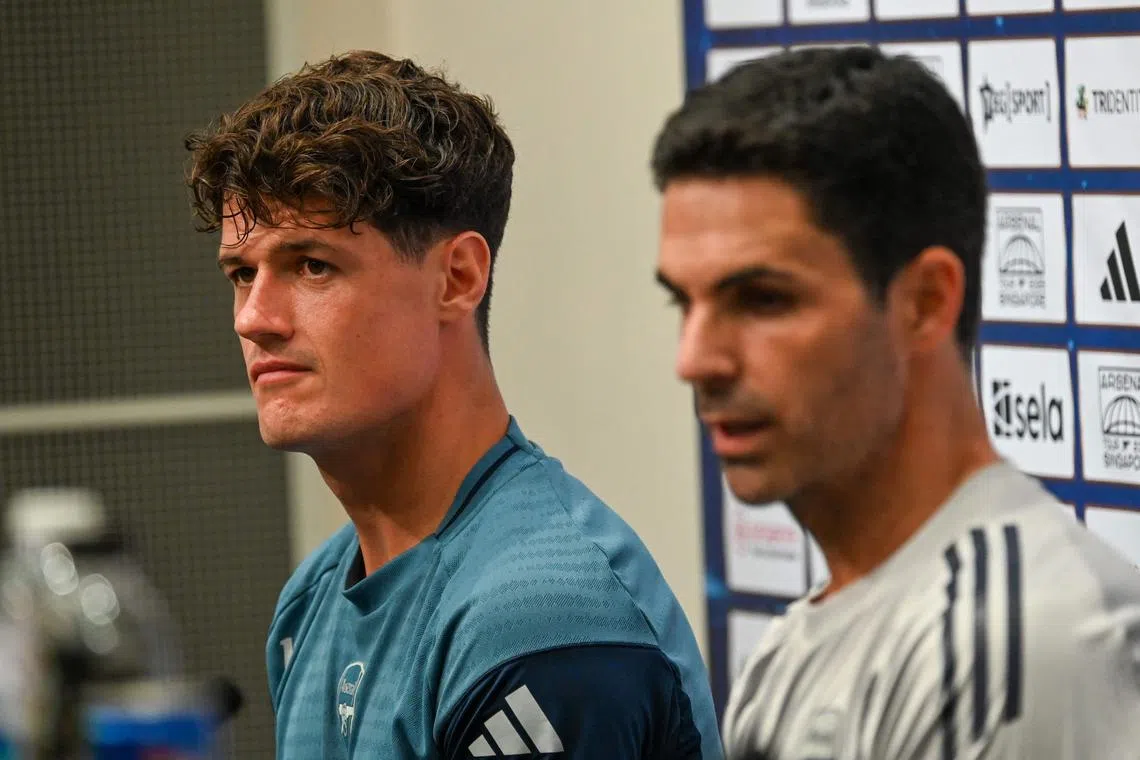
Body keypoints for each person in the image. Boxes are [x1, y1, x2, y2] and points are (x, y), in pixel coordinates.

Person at [184, 50, 720, 759]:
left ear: (458, 278)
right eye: (241, 273)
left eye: (312, 266)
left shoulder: (542, 624)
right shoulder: (311, 599)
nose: (255, 318)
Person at [650, 46, 1140, 759]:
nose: (695, 359)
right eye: (684, 303)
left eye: (762, 300)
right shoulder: (796, 649)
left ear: (926, 302)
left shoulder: (1017, 650)